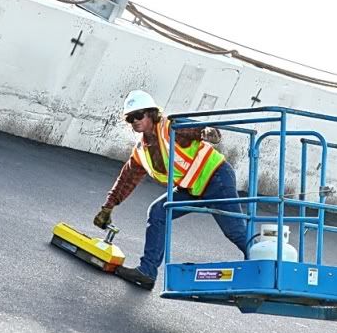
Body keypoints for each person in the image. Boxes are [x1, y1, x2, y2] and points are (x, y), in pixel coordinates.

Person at [94, 90, 247, 290]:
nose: (135, 121)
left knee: (235, 231)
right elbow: (125, 180)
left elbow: (198, 130)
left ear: (151, 113)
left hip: (216, 178)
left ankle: (269, 268)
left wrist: (208, 132)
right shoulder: (141, 151)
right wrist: (107, 207)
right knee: (158, 212)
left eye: (138, 115)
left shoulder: (171, 127)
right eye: (130, 118)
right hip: (192, 189)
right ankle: (147, 272)